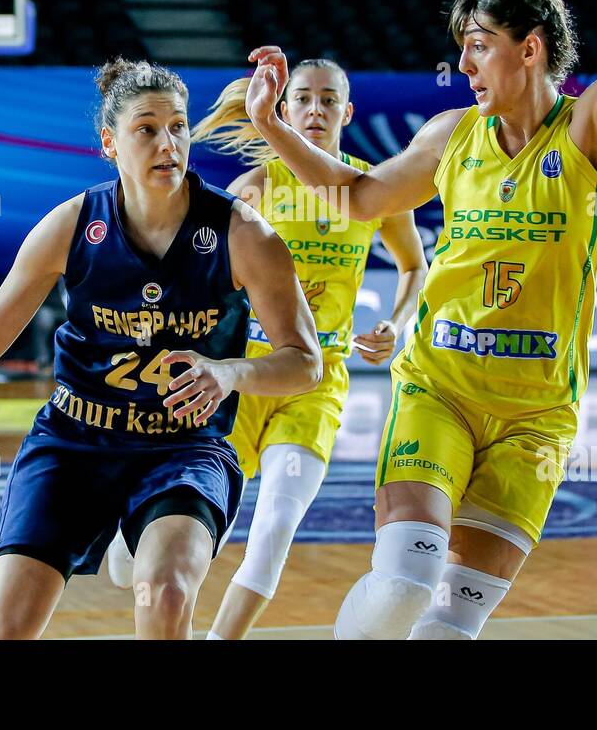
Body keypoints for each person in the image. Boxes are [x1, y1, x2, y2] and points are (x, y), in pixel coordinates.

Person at [242, 0, 597, 640]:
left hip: (537, 412)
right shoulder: (451, 136)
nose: (465, 60)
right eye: (464, 45)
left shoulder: (590, 129)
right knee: (403, 582)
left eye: (478, 44)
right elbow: (358, 196)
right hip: (438, 384)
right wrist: (271, 128)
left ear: (530, 48)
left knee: (449, 627)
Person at [0, 58, 323, 640]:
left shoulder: (242, 234)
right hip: (75, 442)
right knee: (6, 629)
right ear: (110, 144)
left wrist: (228, 372)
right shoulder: (72, 226)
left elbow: (304, 361)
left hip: (182, 449)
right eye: (146, 129)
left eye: (177, 126)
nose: (167, 142)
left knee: (168, 590)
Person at [128, 58, 426, 640]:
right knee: (181, 532)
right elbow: (199, 274)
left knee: (273, 531)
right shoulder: (258, 190)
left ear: (347, 111)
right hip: (241, 377)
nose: (316, 110)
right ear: (283, 112)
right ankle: (131, 548)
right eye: (303, 99)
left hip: (317, 380)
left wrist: (397, 324)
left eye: (328, 100)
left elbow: (415, 265)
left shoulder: (370, 190)